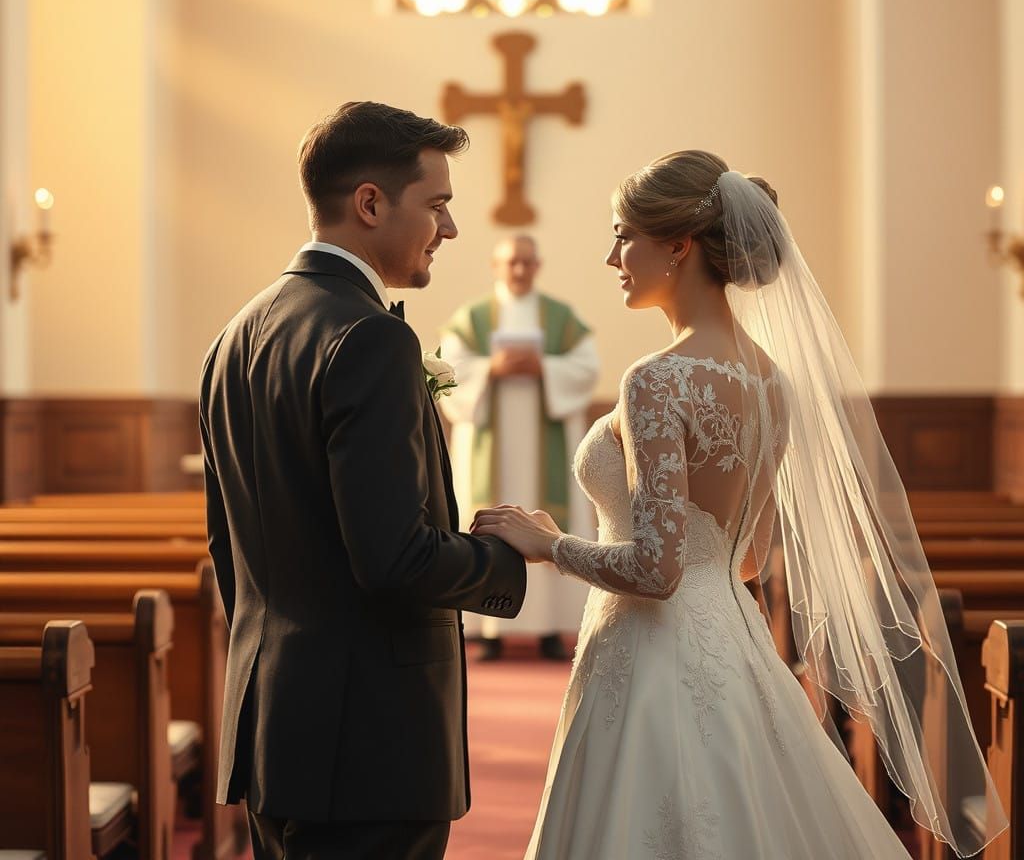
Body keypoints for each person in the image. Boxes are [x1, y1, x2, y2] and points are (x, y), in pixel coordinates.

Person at [472, 151, 1007, 858]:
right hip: (732, 635)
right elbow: (745, 557)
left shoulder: (657, 380)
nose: (612, 256)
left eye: (623, 234)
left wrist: (549, 546)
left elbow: (658, 571)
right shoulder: (772, 381)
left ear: (678, 244)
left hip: (652, 653)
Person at [199, 101, 527, 860]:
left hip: (273, 730)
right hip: (371, 744)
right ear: (370, 203)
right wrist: (510, 558)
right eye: (437, 204)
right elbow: (393, 559)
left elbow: (229, 551)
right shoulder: (369, 337)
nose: (449, 229)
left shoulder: (234, 337)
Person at [439, 235, 599, 661]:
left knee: (541, 519)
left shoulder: (561, 318)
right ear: (496, 265)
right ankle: (487, 628)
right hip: (490, 449)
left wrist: (542, 367)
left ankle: (549, 627)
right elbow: (449, 374)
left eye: (528, 263)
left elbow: (587, 368)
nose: (520, 270)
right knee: (490, 519)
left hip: (544, 448)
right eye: (512, 263)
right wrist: (490, 368)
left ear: (538, 265)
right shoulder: (472, 318)